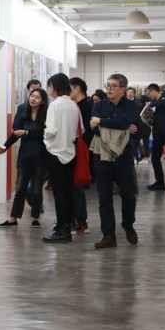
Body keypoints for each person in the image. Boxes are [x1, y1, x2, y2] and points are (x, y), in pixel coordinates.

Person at [89, 73, 140, 249]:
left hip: (123, 156)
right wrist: (119, 126)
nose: (109, 89)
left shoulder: (131, 105)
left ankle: (128, 223)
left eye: (113, 86)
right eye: (107, 85)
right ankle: (108, 235)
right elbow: (95, 130)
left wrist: (102, 121)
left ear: (123, 89)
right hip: (102, 155)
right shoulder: (98, 105)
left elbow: (125, 122)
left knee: (128, 194)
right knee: (104, 196)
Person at [0, 87, 48, 228]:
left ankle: (35, 217)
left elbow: (45, 134)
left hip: (41, 157)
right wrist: (5, 146)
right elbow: (16, 133)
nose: (33, 99)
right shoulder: (24, 113)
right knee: (20, 188)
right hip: (25, 156)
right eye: (32, 96)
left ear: (43, 101)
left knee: (36, 189)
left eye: (37, 97)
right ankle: (13, 218)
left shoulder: (46, 115)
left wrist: (27, 132)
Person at [42, 73, 80, 243]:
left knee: (59, 194)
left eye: (50, 86)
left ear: (55, 87)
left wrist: (45, 136)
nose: (49, 89)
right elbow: (80, 131)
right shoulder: (73, 105)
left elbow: (51, 130)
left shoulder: (54, 105)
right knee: (68, 191)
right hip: (70, 153)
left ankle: (61, 229)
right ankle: (68, 226)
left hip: (56, 153)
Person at [68, 77, 93, 234]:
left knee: (76, 187)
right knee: (77, 187)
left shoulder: (85, 107)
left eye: (69, 88)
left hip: (82, 151)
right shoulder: (77, 106)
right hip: (79, 150)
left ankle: (77, 221)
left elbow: (87, 132)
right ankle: (81, 221)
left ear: (77, 89)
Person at [145, 84, 165, 190]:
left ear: (153, 91)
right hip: (157, 132)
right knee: (155, 158)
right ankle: (159, 181)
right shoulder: (161, 101)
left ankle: (160, 183)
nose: (149, 95)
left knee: (155, 158)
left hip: (160, 133)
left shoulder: (164, 99)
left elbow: (158, 103)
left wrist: (148, 104)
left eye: (149, 93)